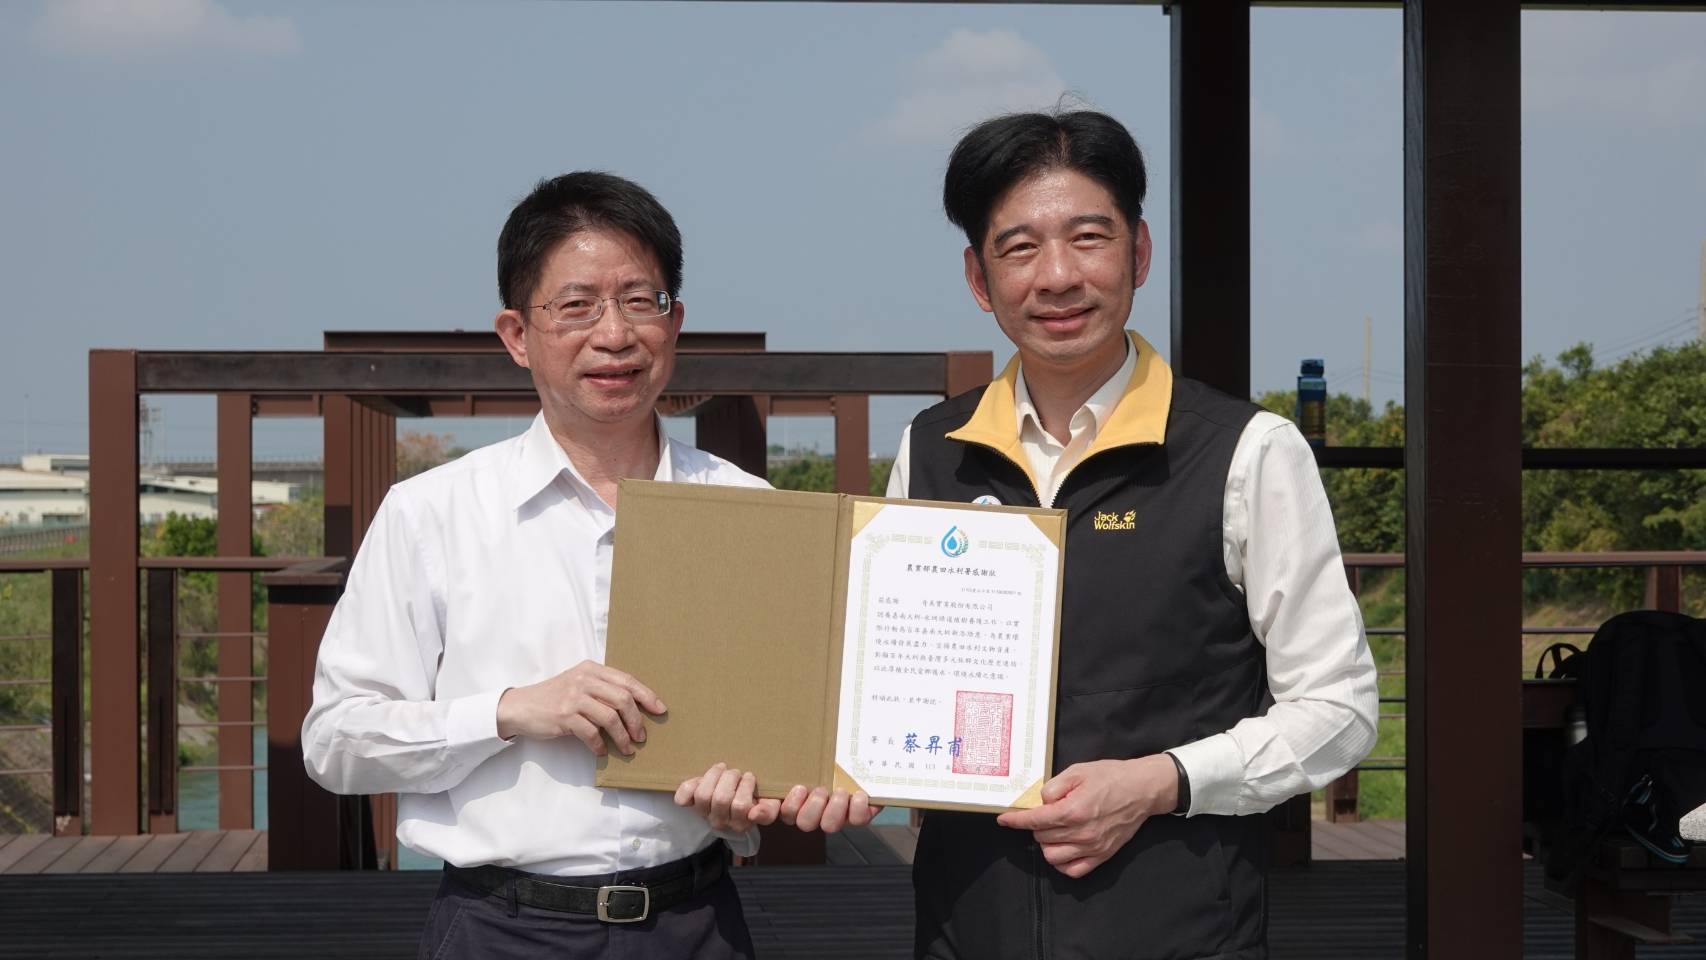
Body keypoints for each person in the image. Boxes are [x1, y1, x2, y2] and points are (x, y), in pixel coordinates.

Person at [302, 171, 869, 960]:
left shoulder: (750, 508)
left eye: (641, 301)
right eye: (577, 306)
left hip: (699, 921)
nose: (615, 334)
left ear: (675, 323)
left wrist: (749, 801)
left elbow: (780, 738)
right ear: (516, 335)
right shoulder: (431, 512)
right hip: (499, 927)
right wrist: (509, 711)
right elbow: (335, 741)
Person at [885, 111, 1380, 959]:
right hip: (968, 924)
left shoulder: (1246, 451)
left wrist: (1161, 783)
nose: (1058, 276)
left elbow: (1339, 709)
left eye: (1089, 238)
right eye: (1019, 248)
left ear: (1139, 253)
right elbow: (893, 681)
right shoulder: (931, 449)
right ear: (978, 278)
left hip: (1179, 927)